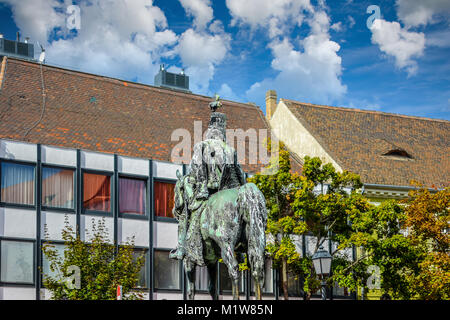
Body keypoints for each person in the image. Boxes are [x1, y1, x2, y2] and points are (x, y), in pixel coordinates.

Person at [170, 105, 245, 261]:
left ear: (210, 130)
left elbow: (195, 170)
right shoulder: (230, 150)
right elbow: (240, 176)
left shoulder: (202, 146)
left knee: (186, 214)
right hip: (230, 191)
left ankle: (182, 247)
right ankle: (242, 246)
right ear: (222, 131)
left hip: (208, 193)